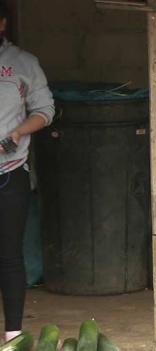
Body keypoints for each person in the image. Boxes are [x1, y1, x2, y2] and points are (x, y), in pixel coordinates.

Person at [0, 0, 55, 342]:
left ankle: (13, 335)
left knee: (8, 256)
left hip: (9, 172)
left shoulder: (22, 63)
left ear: (2, 23)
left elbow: (45, 110)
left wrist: (18, 132)